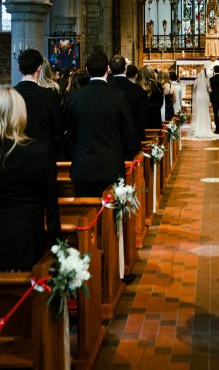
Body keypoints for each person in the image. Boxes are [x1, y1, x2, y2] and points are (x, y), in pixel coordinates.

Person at [0, 86, 61, 270]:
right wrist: (57, 248)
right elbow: (51, 204)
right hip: (27, 239)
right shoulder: (40, 152)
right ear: (20, 114)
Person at [67, 52, 136, 197]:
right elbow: (128, 131)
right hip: (111, 166)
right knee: (113, 216)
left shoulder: (75, 97)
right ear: (107, 70)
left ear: (87, 70)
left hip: (83, 167)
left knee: (85, 217)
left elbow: (70, 132)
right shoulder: (118, 96)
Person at [14, 48, 62, 161]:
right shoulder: (49, 96)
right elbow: (57, 132)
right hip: (43, 157)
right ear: (39, 68)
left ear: (19, 68)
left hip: (16, 158)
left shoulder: (10, 95)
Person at [109, 54, 148, 145]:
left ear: (110, 69)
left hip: (110, 142)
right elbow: (143, 116)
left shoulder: (105, 89)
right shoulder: (138, 90)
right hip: (132, 140)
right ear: (125, 68)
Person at [188, 68, 219, 140]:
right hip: (205, 96)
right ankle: (206, 127)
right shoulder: (207, 80)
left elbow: (194, 90)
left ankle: (198, 127)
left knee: (199, 111)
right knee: (205, 112)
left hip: (198, 97)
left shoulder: (196, 80)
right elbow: (209, 90)